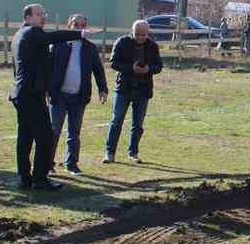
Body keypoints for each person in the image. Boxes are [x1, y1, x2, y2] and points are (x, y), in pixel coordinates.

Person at [10, 3, 85, 190]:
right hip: (31, 94)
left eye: (44, 13)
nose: (43, 17)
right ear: (27, 18)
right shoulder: (32, 33)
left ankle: (24, 177)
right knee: (45, 136)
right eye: (38, 14)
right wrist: (80, 34)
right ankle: (40, 179)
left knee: (25, 137)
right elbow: (53, 37)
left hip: (22, 92)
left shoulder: (19, 34)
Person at [47, 13, 108, 174]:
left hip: (79, 97)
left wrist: (103, 89)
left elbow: (98, 70)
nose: (79, 28)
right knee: (53, 131)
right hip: (58, 95)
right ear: (69, 26)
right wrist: (47, 90)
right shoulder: (57, 45)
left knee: (74, 132)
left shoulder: (90, 48)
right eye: (76, 25)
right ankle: (48, 164)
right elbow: (48, 69)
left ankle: (71, 164)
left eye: (82, 25)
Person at [104, 19, 163, 163]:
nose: (140, 37)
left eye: (144, 35)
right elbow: (113, 63)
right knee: (117, 121)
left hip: (143, 90)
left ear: (148, 33)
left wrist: (149, 69)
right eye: (137, 34)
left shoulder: (153, 46)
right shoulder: (122, 42)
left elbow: (159, 66)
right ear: (132, 31)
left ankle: (133, 153)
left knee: (138, 125)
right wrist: (131, 68)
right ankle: (109, 153)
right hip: (124, 88)